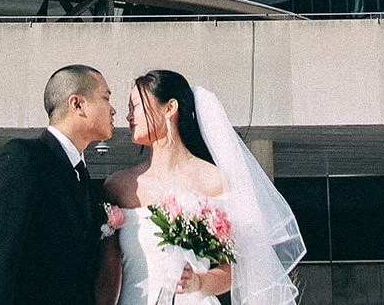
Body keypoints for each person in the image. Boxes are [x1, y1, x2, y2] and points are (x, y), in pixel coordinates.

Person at [99, 69, 304, 305]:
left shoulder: (214, 181)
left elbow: (233, 271)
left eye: (135, 106)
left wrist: (198, 282)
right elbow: (108, 273)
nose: (129, 116)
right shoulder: (119, 186)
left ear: (169, 108)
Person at [0, 64, 117, 305]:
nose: (113, 109)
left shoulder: (87, 182)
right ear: (77, 104)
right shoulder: (24, 158)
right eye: (106, 98)